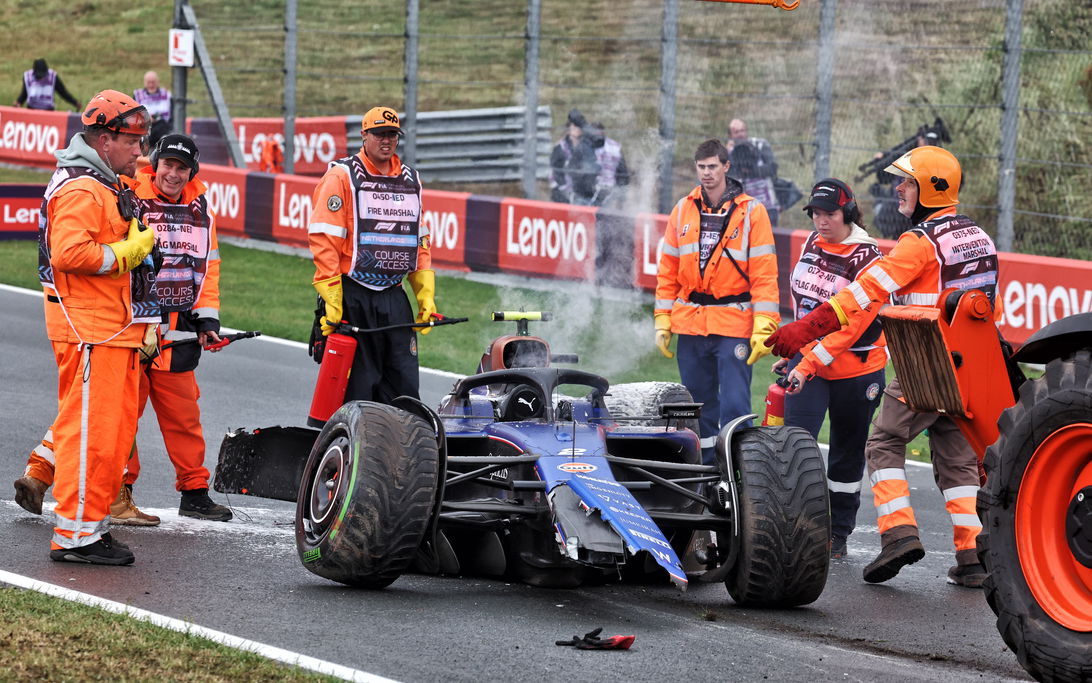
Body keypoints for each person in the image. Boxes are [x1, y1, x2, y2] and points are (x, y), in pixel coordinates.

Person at [766, 146, 998, 588]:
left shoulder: (920, 242)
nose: (899, 189)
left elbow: (865, 292)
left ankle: (897, 535)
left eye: (907, 182)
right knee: (957, 461)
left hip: (927, 361)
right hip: (974, 364)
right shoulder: (979, 237)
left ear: (930, 187)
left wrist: (810, 325)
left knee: (884, 443)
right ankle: (973, 555)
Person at [14, 134, 233, 526]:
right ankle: (110, 493)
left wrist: (207, 318)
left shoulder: (201, 210)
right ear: (155, 164)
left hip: (175, 327)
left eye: (182, 167)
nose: (173, 173)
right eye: (167, 164)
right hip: (127, 322)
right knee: (111, 415)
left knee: (183, 415)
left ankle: (194, 491)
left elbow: (207, 268)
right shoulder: (126, 190)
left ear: (192, 172)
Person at [33, 90, 157, 565]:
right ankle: (75, 536)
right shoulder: (83, 188)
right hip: (90, 332)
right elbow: (70, 254)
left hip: (109, 329)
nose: (140, 153)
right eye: (133, 142)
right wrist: (128, 254)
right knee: (90, 436)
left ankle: (90, 527)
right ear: (106, 140)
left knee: (109, 437)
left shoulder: (101, 182)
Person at [777, 178, 887, 559]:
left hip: (856, 369)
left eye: (831, 214)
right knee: (793, 446)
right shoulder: (812, 241)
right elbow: (805, 301)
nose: (822, 221)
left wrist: (805, 360)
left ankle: (837, 533)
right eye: (816, 214)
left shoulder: (869, 259)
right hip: (807, 364)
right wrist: (793, 349)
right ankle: (789, 524)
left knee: (845, 454)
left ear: (849, 212)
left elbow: (849, 326)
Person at [655, 139, 780, 465]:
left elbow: (765, 273)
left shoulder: (752, 211)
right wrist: (663, 319)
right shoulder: (682, 208)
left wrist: (765, 323)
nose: (707, 173)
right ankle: (704, 470)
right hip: (692, 322)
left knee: (736, 404)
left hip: (733, 321)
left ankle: (741, 470)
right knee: (696, 405)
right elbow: (667, 271)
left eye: (713, 166)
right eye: (701, 167)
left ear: (726, 167)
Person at [307, 106, 436, 404]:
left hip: (393, 295)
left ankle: (400, 445)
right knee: (358, 387)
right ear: (364, 135)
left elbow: (419, 241)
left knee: (404, 387)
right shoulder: (342, 176)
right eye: (379, 134)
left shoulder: (410, 181)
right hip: (353, 294)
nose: (386, 140)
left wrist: (425, 294)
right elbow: (324, 239)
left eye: (392, 134)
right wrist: (332, 297)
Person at [727, 118, 779, 225]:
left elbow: (772, 169)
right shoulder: (727, 153)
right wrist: (729, 154)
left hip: (767, 206)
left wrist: (749, 170)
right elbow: (726, 176)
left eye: (743, 130)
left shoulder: (760, 145)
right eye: (736, 132)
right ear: (730, 136)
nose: (741, 134)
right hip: (742, 209)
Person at [549, 108, 599, 205]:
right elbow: (554, 172)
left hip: (583, 193)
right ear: (569, 129)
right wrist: (564, 190)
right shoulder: (560, 148)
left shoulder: (586, 146)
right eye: (574, 126)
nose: (577, 129)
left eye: (579, 127)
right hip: (563, 194)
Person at [584, 121, 630, 207]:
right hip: (590, 192)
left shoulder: (614, 147)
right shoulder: (585, 147)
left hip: (610, 191)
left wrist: (620, 197)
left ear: (603, 132)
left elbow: (623, 174)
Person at [14, 58, 79, 111]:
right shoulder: (27, 77)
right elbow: (25, 93)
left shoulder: (53, 77)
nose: (41, 78)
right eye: (39, 76)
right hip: (32, 111)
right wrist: (19, 102)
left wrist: (75, 102)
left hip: (48, 111)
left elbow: (63, 92)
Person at [133, 71, 173, 147]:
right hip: (144, 128)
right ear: (144, 83)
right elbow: (133, 115)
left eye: (153, 82)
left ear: (158, 82)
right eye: (149, 82)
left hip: (162, 129)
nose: (151, 85)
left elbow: (172, 116)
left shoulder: (166, 95)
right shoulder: (138, 95)